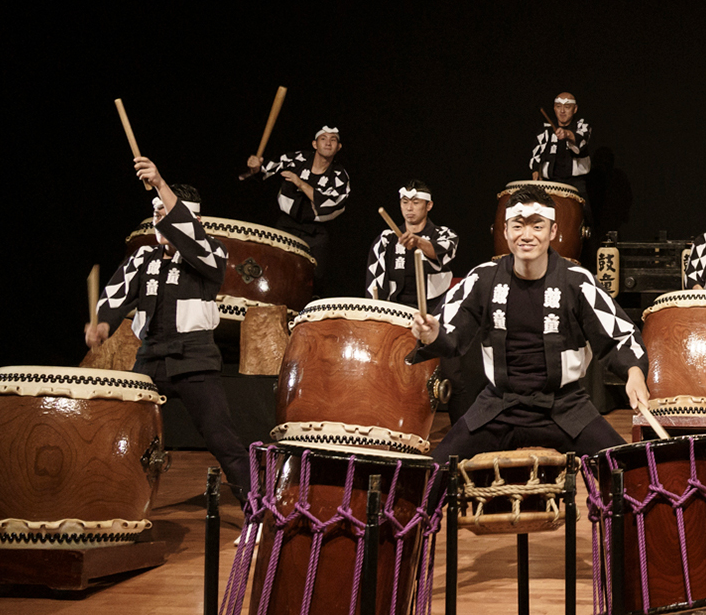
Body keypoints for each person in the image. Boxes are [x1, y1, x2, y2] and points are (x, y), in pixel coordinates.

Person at [407, 184, 649, 466]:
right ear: (505, 231)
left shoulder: (577, 281)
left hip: (564, 406)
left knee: (629, 472)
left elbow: (620, 334)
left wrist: (634, 373)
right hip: (498, 406)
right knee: (432, 472)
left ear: (553, 231)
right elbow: (447, 328)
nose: (527, 235)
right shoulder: (482, 279)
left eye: (537, 225)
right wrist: (431, 332)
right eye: (518, 225)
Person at [88, 158, 251, 502]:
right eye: (157, 214)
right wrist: (102, 324)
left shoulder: (211, 253)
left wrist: (161, 183)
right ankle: (117, 507)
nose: (162, 221)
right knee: (125, 435)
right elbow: (115, 297)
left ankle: (258, 513)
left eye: (170, 214)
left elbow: (191, 238)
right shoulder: (143, 258)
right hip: (150, 361)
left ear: (196, 221)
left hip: (195, 360)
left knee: (223, 441)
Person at [245, 125, 352, 293]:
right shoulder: (298, 159)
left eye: (333, 140)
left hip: (316, 233)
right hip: (286, 226)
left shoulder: (339, 176)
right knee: (274, 273)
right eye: (323, 139)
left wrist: (300, 183)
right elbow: (265, 170)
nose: (328, 143)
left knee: (312, 281)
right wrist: (256, 167)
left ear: (339, 147)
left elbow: (331, 204)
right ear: (315, 144)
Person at [365, 180, 459, 311]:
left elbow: (441, 253)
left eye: (415, 203)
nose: (409, 208)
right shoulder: (386, 239)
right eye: (405, 202)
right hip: (396, 311)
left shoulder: (445, 234)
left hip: (435, 310)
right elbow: (374, 283)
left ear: (429, 205)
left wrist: (418, 241)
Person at [529, 92, 592, 197]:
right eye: (558, 107)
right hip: (550, 183)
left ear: (575, 109)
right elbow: (537, 153)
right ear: (554, 108)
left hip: (575, 185)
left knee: (581, 212)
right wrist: (535, 170)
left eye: (567, 107)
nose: (562, 111)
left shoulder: (582, 126)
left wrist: (567, 134)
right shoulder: (546, 130)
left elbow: (581, 141)